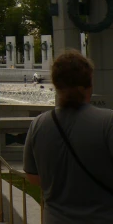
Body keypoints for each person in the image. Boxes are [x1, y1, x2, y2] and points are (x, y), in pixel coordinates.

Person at [24, 51, 113, 223]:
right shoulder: (108, 122)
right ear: (90, 83)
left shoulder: (39, 124)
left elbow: (33, 177)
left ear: (56, 85)